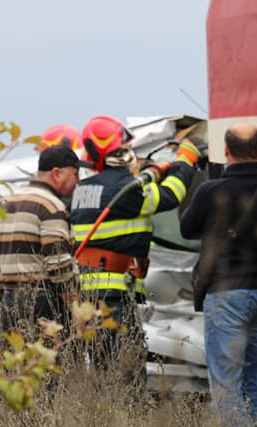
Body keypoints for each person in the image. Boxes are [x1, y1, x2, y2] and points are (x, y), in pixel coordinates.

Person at [179, 123, 257, 427]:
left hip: (227, 295)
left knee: (226, 380)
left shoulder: (211, 191)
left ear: (226, 151)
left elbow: (186, 228)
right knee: (255, 375)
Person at [71, 114, 200, 370]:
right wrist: (185, 160)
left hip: (89, 293)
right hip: (115, 294)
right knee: (126, 367)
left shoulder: (83, 188)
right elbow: (170, 196)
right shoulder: (126, 191)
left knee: (102, 365)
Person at [0, 143, 82, 339]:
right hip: (43, 303)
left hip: (10, 300)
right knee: (50, 366)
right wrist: (75, 307)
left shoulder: (7, 204)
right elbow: (58, 263)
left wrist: (6, 301)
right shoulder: (51, 206)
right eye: (75, 174)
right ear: (57, 173)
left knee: (19, 367)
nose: (78, 180)